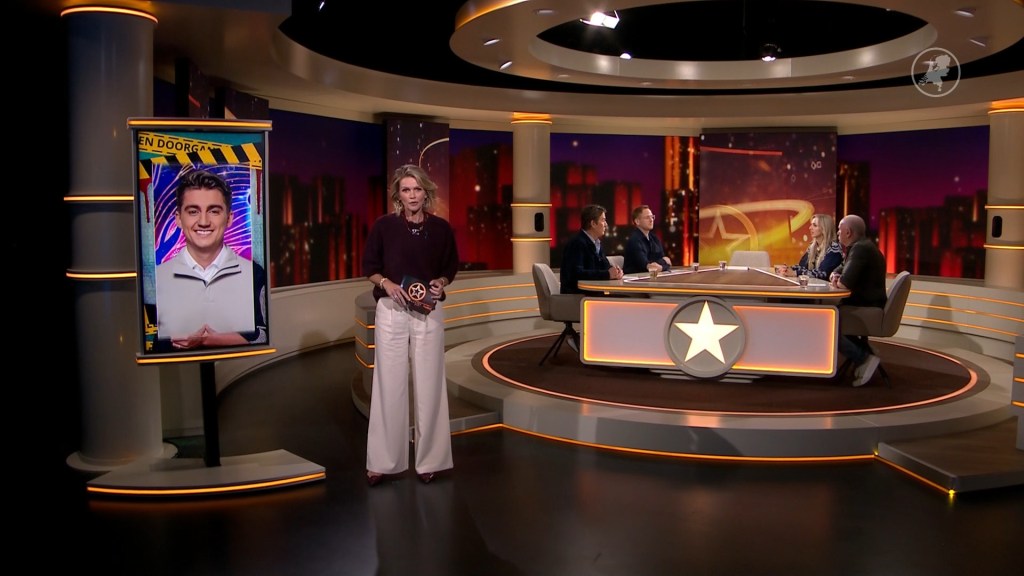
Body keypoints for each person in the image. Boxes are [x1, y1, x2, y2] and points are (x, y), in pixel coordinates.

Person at [362, 164, 459, 487]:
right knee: (388, 384)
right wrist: (387, 283)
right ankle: (383, 462)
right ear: (398, 195)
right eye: (406, 190)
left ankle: (430, 460)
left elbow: (450, 267)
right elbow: (370, 268)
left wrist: (441, 282)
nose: (412, 195)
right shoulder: (384, 226)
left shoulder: (441, 229)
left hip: (428, 311)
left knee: (430, 385)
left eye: (417, 189)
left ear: (425, 192)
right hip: (391, 310)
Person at [155, 168, 268, 350]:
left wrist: (206, 340)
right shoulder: (160, 277)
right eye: (193, 211)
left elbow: (263, 337)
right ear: (178, 219)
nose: (203, 222)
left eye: (214, 211)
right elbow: (153, 345)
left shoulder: (254, 274)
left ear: (229, 218)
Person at [830, 214, 887, 387]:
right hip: (867, 303)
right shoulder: (860, 246)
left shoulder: (860, 249)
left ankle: (863, 358)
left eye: (839, 230)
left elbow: (845, 282)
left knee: (826, 320)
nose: (838, 233)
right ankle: (865, 350)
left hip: (867, 306)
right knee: (829, 314)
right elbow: (839, 270)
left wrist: (838, 280)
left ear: (848, 232)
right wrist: (836, 276)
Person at [560, 204, 624, 295]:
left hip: (594, 294)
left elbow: (605, 266)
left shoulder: (596, 243)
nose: (606, 225)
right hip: (579, 296)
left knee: (626, 299)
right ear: (593, 223)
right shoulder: (577, 243)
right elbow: (576, 274)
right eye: (603, 220)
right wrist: (607, 274)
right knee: (625, 301)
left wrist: (616, 272)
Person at [785, 213, 843, 280]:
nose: (810, 228)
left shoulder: (834, 248)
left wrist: (796, 273)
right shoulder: (812, 246)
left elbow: (822, 273)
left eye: (815, 225)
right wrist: (788, 269)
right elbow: (802, 266)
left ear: (824, 229)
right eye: (811, 225)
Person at [622, 204, 672, 274]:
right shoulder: (634, 241)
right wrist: (663, 264)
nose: (651, 220)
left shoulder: (654, 238)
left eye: (652, 217)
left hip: (653, 276)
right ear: (637, 221)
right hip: (636, 278)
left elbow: (668, 262)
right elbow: (647, 266)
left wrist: (661, 266)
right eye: (647, 217)